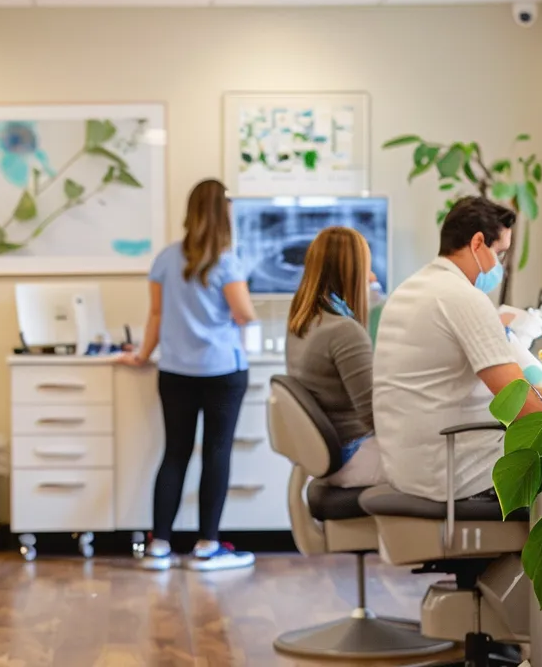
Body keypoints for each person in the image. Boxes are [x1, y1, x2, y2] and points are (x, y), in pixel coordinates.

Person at [374, 197, 542, 502]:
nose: (500, 265)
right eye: (500, 252)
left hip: (408, 464)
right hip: (453, 469)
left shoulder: (411, 289)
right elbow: (525, 408)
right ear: (478, 242)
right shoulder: (463, 298)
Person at [119, 178, 258, 572]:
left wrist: (142, 354)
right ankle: (207, 545)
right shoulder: (225, 261)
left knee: (175, 453)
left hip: (176, 371)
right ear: (223, 213)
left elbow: (157, 315)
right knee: (216, 453)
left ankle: (160, 545)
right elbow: (244, 314)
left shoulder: (165, 258)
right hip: (222, 371)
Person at [285, 226, 384, 489]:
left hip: (325, 456)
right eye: (367, 268)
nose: (372, 276)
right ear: (353, 271)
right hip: (352, 456)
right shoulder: (344, 330)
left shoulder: (303, 322)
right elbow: (375, 415)